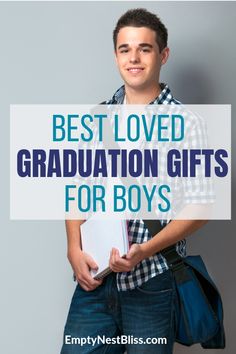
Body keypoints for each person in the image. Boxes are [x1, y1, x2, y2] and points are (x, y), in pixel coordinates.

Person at [60, 8, 208, 354]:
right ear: (115, 56)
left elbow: (200, 208)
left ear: (163, 55)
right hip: (95, 280)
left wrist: (143, 252)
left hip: (152, 282)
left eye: (145, 48)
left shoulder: (188, 124)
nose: (134, 58)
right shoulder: (96, 117)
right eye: (125, 49)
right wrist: (72, 248)